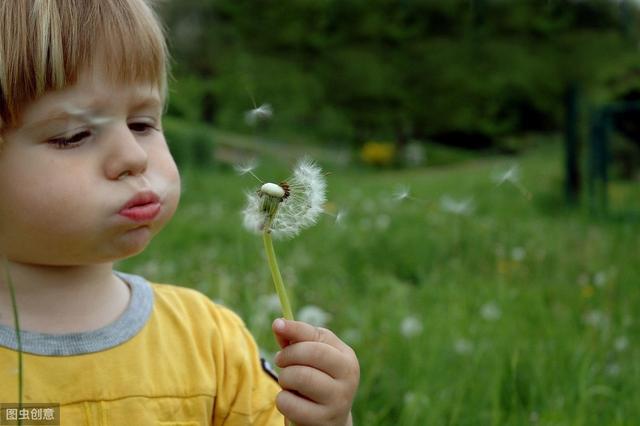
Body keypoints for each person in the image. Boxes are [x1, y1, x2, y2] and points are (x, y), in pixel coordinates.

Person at [0, 1, 359, 425]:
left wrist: (329, 420)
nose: (133, 156)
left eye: (143, 124)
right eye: (73, 135)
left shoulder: (210, 342)